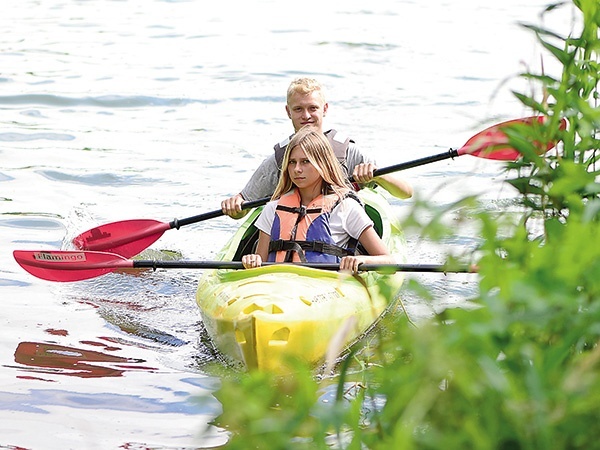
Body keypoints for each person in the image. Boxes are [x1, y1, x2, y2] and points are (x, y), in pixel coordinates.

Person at [221, 77, 412, 219]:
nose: (306, 116)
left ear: (325, 109)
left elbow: (405, 193)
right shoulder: (279, 161)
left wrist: (377, 175)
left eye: (313, 108)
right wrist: (235, 206)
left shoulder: (348, 153)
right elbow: (242, 209)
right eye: (298, 109)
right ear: (288, 112)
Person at [241, 126, 397, 273]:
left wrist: (361, 260)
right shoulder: (273, 208)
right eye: (292, 162)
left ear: (323, 164)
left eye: (305, 161)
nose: (297, 169)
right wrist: (252, 260)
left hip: (325, 286)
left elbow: (389, 261)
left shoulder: (345, 207)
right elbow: (259, 262)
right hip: (279, 284)